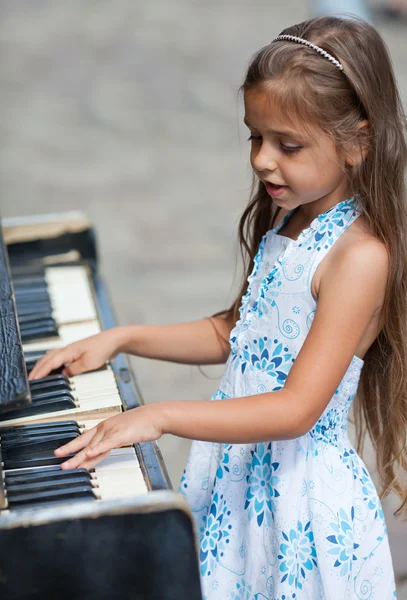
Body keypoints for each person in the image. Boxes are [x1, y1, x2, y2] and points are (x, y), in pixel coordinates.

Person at [29, 16, 407, 599]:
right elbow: (238, 333)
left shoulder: (359, 258)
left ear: (358, 141)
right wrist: (123, 337)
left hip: (299, 508)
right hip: (243, 481)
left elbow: (296, 409)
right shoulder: (290, 220)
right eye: (255, 136)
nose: (261, 160)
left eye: (288, 145)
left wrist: (160, 416)